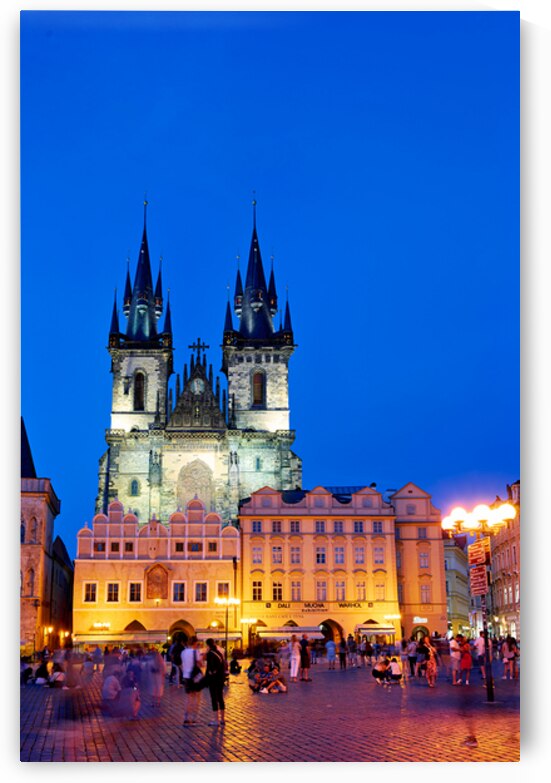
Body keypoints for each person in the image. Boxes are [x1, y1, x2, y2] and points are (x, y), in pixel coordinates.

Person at [181, 637, 203, 726]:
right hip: (194, 677)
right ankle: (194, 718)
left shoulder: (183, 652)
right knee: (196, 697)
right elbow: (200, 664)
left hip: (186, 676)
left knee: (188, 698)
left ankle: (186, 717)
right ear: (195, 643)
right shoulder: (195, 652)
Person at [205, 637, 226, 726]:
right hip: (221, 678)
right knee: (220, 698)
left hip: (214, 679)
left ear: (207, 645)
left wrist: (208, 675)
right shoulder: (219, 653)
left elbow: (210, 667)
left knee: (214, 698)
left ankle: (216, 720)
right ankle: (222, 719)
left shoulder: (210, 654)